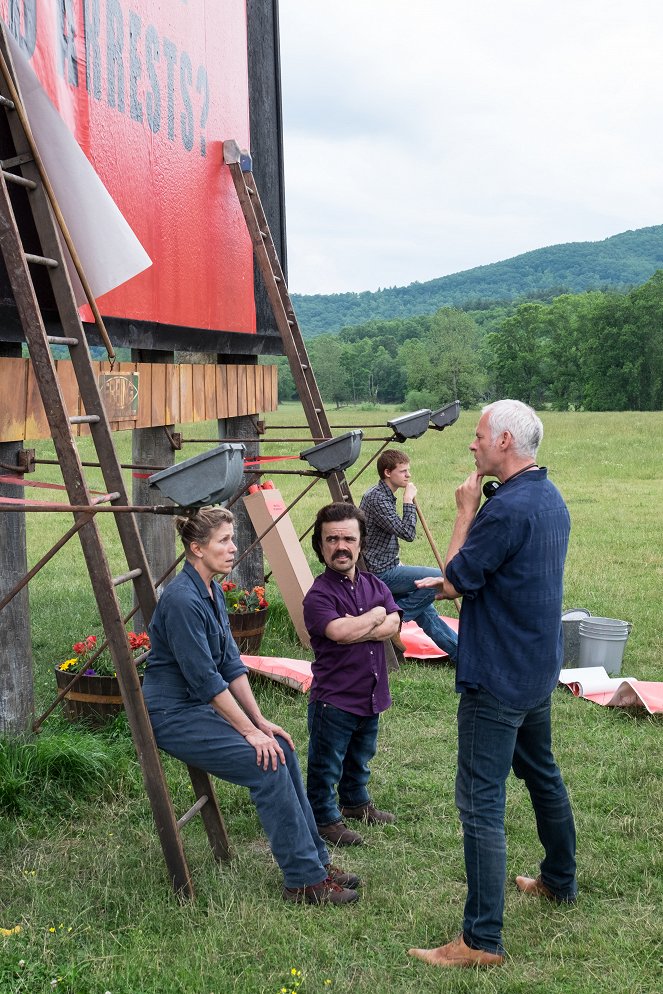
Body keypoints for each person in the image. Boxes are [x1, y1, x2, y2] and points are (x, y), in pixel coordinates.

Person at [408, 400, 577, 969]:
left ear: (505, 440)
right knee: (542, 772)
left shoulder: (501, 512)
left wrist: (463, 511)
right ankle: (559, 879)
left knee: (481, 802)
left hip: (498, 675)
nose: (472, 445)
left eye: (479, 436)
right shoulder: (548, 496)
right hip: (535, 668)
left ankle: (481, 940)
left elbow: (454, 581)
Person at [141, 506, 359, 905]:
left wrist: (260, 721)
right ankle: (303, 882)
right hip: (172, 716)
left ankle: (316, 862)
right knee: (268, 762)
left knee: (282, 747)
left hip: (199, 708)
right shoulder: (182, 601)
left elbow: (229, 664)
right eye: (223, 540)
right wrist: (247, 732)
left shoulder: (210, 590)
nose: (232, 547)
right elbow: (205, 680)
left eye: (231, 538)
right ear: (196, 548)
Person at [303, 503, 401, 846]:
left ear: (360, 544)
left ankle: (356, 803)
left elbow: (395, 624)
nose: (340, 546)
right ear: (321, 545)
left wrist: (365, 623)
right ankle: (323, 818)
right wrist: (376, 617)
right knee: (326, 764)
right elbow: (339, 632)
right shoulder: (318, 594)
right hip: (335, 699)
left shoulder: (374, 583)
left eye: (348, 538)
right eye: (332, 539)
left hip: (371, 693)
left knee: (360, 756)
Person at [359, 449, 458, 661]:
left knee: (428, 614)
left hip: (388, 565)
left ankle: (463, 656)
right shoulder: (376, 498)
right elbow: (408, 533)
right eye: (403, 471)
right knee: (439, 578)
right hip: (379, 573)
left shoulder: (383, 495)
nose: (408, 475)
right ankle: (396, 619)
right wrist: (408, 500)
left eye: (408, 470)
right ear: (387, 472)